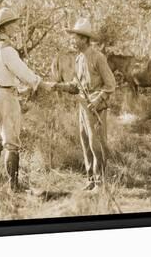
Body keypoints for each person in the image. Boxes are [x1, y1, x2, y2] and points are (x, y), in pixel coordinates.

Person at [0, 8, 55, 192]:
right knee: (11, 143)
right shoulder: (7, 51)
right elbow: (24, 74)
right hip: (5, 96)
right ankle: (13, 187)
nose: (17, 27)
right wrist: (41, 84)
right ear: (5, 27)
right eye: (13, 24)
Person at [55, 18, 116, 191]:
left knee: (96, 143)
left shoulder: (98, 57)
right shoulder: (79, 58)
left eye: (75, 37)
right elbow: (77, 85)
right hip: (82, 105)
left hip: (95, 106)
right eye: (72, 37)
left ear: (84, 39)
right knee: (85, 141)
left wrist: (98, 99)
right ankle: (91, 179)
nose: (72, 40)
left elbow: (110, 84)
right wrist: (58, 86)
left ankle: (100, 181)